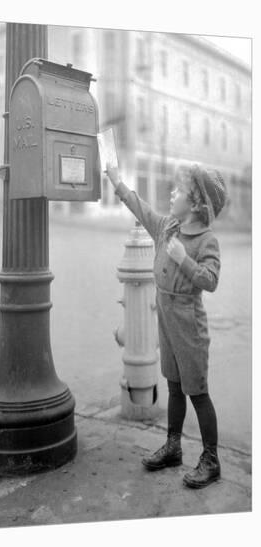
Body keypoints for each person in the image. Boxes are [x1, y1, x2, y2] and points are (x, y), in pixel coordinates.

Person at [105, 161, 227, 489]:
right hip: (166, 321)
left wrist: (182, 259)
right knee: (173, 386)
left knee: (197, 392)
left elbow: (211, 280)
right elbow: (140, 208)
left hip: (189, 326)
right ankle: (173, 447)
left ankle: (211, 459)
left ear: (197, 203)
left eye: (180, 190)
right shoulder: (167, 227)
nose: (172, 193)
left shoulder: (206, 241)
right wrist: (117, 180)